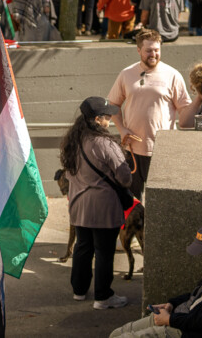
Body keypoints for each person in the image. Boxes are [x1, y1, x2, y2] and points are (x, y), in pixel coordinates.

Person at [109, 221, 202, 338]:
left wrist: (169, 320)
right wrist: (171, 304)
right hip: (180, 316)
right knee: (116, 334)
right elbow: (196, 295)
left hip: (188, 331)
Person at [61, 97, 132, 310]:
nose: (109, 120)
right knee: (104, 251)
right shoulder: (105, 143)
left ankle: (79, 291)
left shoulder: (72, 141)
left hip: (79, 205)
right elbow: (125, 178)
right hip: (104, 207)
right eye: (107, 116)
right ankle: (103, 297)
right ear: (97, 119)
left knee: (83, 247)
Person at [107, 29, 191, 200]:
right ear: (139, 50)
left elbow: (185, 109)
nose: (153, 54)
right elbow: (113, 104)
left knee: (160, 203)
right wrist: (122, 129)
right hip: (132, 150)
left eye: (156, 50)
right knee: (132, 202)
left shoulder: (173, 75)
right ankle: (134, 228)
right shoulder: (126, 74)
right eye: (148, 50)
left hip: (161, 150)